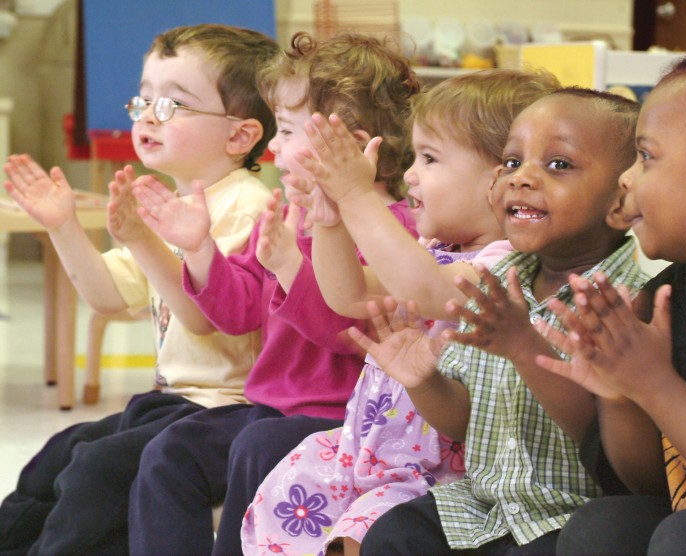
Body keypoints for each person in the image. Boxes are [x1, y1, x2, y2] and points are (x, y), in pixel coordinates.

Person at [240, 68, 562, 556]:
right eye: (414, 156)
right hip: (367, 450)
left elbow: (432, 293)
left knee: (355, 540)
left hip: (432, 473)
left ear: (501, 177)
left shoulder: (505, 262)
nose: (410, 173)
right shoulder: (432, 246)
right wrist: (331, 223)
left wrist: (355, 195)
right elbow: (350, 298)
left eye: (429, 159)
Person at [127, 32, 421, 556]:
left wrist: (289, 264)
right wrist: (199, 250)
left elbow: (348, 328)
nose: (275, 146)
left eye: (285, 130)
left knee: (256, 446)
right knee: (170, 449)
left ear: (349, 146)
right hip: (270, 409)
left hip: (340, 420)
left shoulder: (393, 230)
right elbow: (237, 312)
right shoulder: (290, 214)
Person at [0, 24, 279, 556]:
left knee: (97, 471)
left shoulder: (248, 206)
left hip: (229, 409)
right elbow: (107, 297)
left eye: (173, 105)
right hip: (175, 399)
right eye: (144, 100)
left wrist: (143, 240)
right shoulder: (171, 206)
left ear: (239, 136)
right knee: (63, 452)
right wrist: (62, 226)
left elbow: (208, 316)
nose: (148, 117)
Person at [348, 87, 652, 554]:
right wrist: (424, 382)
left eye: (558, 165)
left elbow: (612, 446)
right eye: (512, 163)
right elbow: (465, 419)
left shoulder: (629, 300)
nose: (521, 178)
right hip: (485, 508)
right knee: (392, 535)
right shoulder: (497, 280)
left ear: (621, 200)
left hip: (568, 517)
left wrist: (523, 344)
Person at [531, 43, 686, 556]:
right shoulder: (658, 298)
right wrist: (622, 393)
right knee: (603, 525)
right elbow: (646, 484)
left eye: (646, 157)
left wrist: (653, 383)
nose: (627, 178)